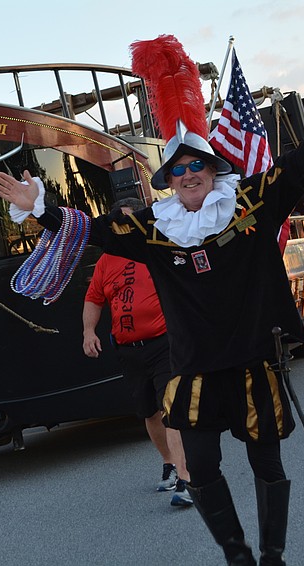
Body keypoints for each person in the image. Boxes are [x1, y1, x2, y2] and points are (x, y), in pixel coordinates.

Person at [0, 48, 304, 566]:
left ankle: (272, 556)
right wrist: (42, 209)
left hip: (253, 361)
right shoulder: (155, 229)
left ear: (213, 168)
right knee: (201, 470)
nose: (186, 173)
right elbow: (92, 231)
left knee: (267, 465)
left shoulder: (251, 203)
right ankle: (237, 556)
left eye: (196, 164)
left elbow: (302, 161)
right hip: (195, 372)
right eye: (177, 169)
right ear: (169, 181)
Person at [83, 197, 192, 507]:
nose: (125, 229)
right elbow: (93, 299)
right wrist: (88, 332)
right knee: (149, 412)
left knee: (170, 406)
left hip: (164, 343)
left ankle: (186, 479)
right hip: (130, 349)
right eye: (120, 223)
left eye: (130, 222)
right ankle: (170, 463)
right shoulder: (107, 259)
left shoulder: (157, 245)